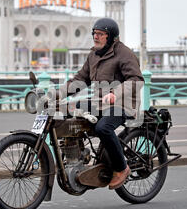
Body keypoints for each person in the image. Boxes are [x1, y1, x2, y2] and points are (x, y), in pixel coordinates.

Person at [58, 17, 144, 190]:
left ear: (111, 36)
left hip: (122, 104)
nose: (96, 37)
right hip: (99, 103)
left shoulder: (124, 53)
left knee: (103, 128)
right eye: (94, 33)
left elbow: (136, 79)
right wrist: (55, 95)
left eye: (100, 34)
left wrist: (115, 94)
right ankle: (78, 156)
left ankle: (122, 168)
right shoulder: (94, 55)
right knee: (67, 113)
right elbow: (80, 79)